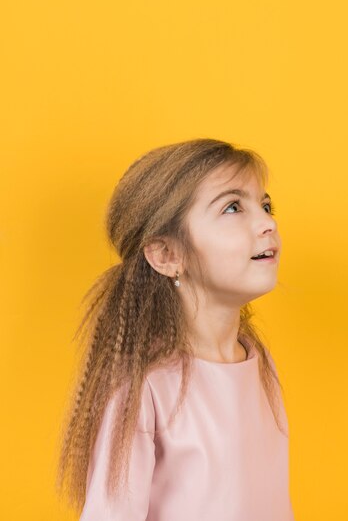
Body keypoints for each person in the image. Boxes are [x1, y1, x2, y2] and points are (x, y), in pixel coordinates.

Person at [55, 138, 294, 520]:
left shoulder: (257, 360)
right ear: (167, 255)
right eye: (233, 207)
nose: (268, 223)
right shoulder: (145, 383)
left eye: (265, 206)